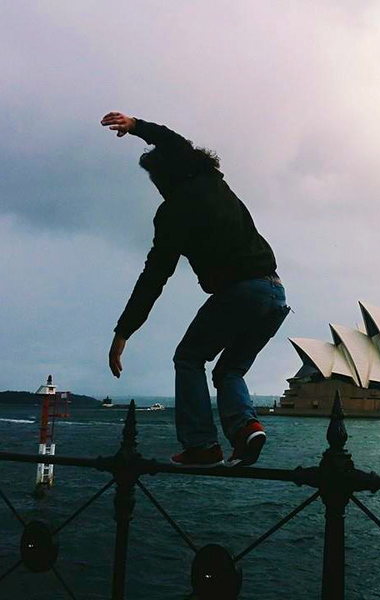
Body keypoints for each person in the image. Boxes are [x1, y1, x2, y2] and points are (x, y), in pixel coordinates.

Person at [101, 111, 289, 467]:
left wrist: (124, 331)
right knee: (229, 371)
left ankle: (202, 446)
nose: (155, 186)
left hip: (239, 292)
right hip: (275, 294)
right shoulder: (212, 179)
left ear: (166, 175)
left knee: (189, 358)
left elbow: (153, 278)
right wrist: (137, 126)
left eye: (155, 177)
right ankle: (246, 427)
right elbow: (174, 141)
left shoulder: (171, 214)